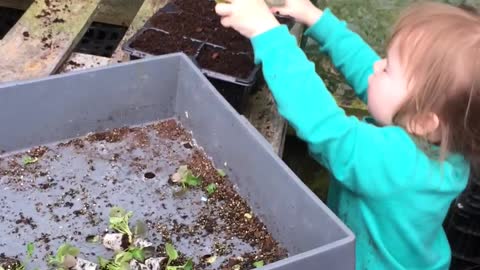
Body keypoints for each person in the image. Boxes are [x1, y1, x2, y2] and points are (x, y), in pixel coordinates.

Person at [215, 0, 480, 269]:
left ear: (423, 121)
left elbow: (324, 126)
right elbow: (370, 74)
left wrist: (267, 33)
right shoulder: (444, 138)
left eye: (388, 69)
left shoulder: (401, 165)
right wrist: (317, 20)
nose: (377, 66)